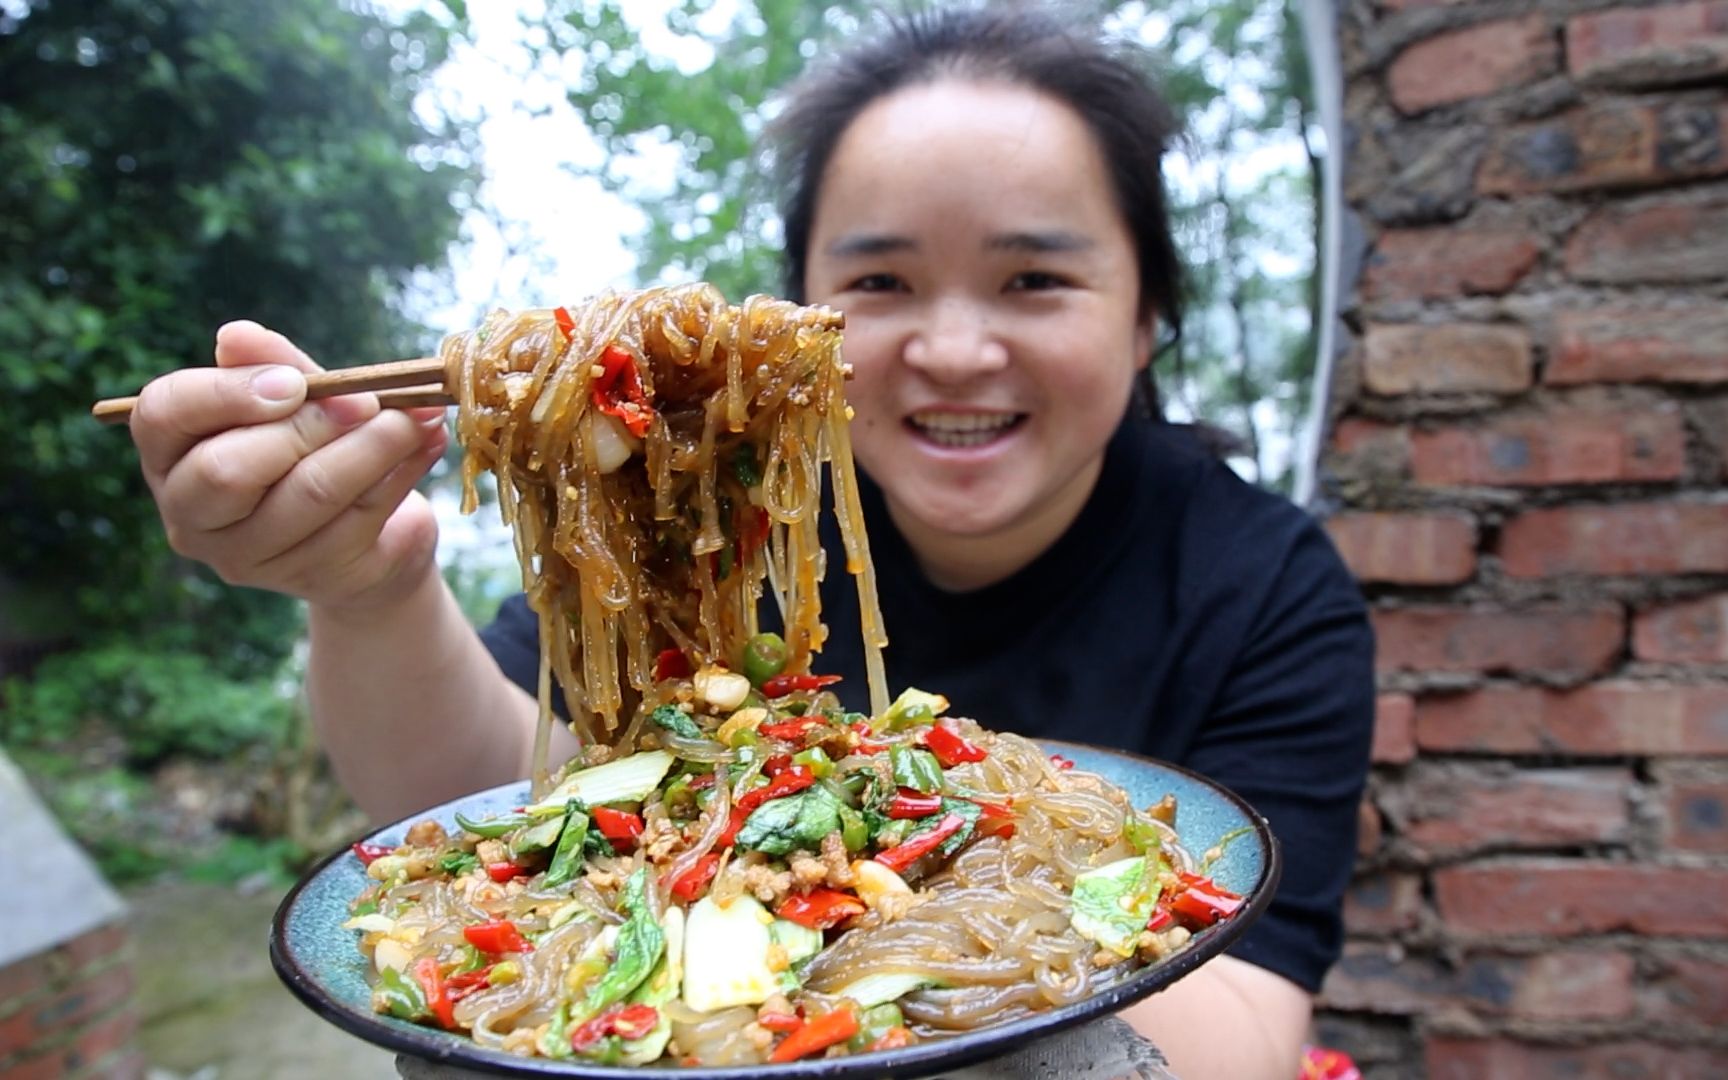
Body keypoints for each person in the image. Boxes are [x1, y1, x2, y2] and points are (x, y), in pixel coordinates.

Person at [124, 7, 1372, 1077]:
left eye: (1033, 281)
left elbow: (1253, 1031)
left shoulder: (1265, 584)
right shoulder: (717, 507)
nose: (950, 349)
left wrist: (939, 931)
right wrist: (366, 588)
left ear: (1149, 313)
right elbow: (496, 793)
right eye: (878, 285)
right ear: (800, 321)